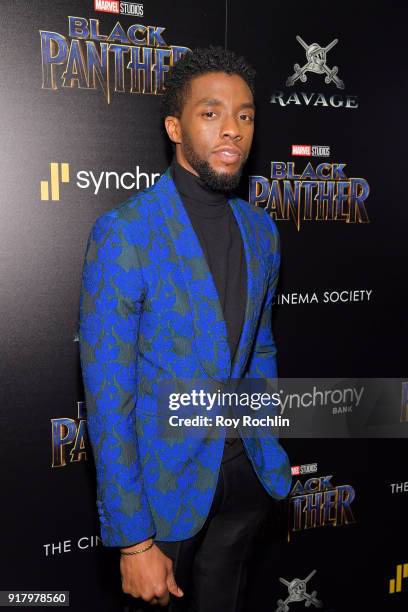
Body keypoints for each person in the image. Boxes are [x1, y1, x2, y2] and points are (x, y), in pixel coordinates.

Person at [79, 46, 292, 612]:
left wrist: (266, 438)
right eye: (211, 112)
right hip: (162, 495)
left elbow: (261, 348)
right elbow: (107, 396)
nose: (232, 129)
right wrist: (134, 539)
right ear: (175, 126)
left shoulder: (262, 230)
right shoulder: (126, 231)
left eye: (245, 116)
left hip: (245, 479)